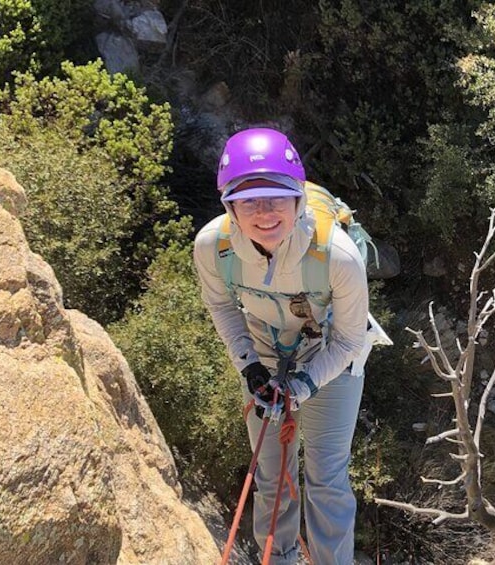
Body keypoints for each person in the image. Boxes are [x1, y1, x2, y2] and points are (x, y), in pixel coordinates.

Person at [193, 128, 368, 564]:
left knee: (325, 477)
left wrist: (303, 386)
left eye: (275, 197)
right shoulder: (213, 247)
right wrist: (250, 367)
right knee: (272, 474)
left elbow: (347, 338)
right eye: (248, 200)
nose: (264, 212)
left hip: (332, 355)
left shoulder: (337, 256)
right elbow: (221, 308)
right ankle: (280, 558)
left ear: (298, 201)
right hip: (264, 352)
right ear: (229, 206)